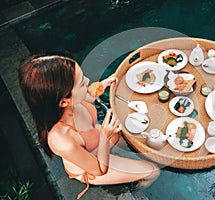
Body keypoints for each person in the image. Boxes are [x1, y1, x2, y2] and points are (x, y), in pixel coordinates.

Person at [18, 53, 160, 199]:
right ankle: (137, 186)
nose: (87, 81)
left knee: (141, 141)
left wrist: (103, 84)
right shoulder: (61, 140)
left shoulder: (73, 99)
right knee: (153, 171)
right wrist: (105, 136)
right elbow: (99, 169)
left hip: (97, 142)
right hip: (92, 167)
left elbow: (90, 95)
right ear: (63, 102)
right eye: (81, 83)